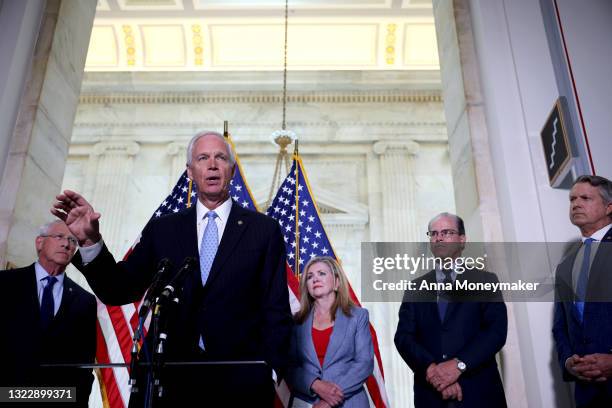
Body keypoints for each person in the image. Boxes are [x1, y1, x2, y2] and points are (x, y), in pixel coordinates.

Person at [51, 131, 293, 406]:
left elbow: (276, 309)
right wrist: (90, 240)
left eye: (220, 158)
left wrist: (270, 373)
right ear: (190, 171)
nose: (212, 164)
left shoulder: (263, 230)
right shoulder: (163, 229)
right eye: (203, 158)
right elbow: (117, 288)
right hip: (167, 382)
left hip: (241, 383)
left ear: (232, 170)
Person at [394, 212, 507, 407]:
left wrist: (459, 365)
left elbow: (495, 332)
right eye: (433, 233)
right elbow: (404, 337)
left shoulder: (485, 281)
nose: (438, 237)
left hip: (479, 393)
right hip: (431, 396)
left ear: (462, 240)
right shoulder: (415, 288)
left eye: (446, 232)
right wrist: (432, 371)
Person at [0, 220, 96, 407]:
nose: (66, 244)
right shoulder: (5, 284)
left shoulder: (85, 301)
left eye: (72, 240)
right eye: (59, 236)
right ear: (39, 242)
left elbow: (84, 368)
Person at [552, 175, 612, 407]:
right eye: (572, 199)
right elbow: (561, 326)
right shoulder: (565, 266)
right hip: (587, 391)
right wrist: (568, 361)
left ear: (609, 206)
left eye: (585, 198)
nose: (576, 203)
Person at [287, 256, 373, 408]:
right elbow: (289, 366)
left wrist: (329, 399)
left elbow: (364, 363)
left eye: (321, 273)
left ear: (337, 282)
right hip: (307, 402)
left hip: (349, 402)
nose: (315, 279)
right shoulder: (296, 322)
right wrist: (315, 384)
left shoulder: (358, 316)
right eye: (309, 276)